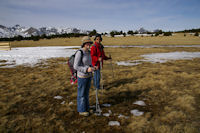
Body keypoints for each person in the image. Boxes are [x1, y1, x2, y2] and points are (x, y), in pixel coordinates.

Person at [74, 36, 96, 116]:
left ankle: (86, 108)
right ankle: (81, 110)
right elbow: (75, 66)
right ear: (83, 44)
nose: (89, 44)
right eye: (87, 43)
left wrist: (93, 68)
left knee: (86, 93)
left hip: (89, 76)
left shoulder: (88, 52)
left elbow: (88, 64)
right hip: (82, 76)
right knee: (81, 94)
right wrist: (86, 69)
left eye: (90, 43)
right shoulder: (80, 52)